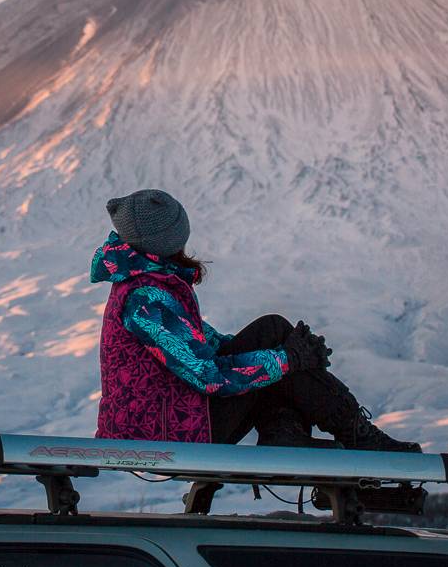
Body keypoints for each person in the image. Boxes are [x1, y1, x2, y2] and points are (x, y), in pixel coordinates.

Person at [92, 188, 420, 452]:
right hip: (164, 433)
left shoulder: (150, 283)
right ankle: (355, 434)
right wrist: (288, 359)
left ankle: (288, 434)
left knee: (272, 340)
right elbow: (208, 375)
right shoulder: (145, 298)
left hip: (172, 424)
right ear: (169, 240)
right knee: (272, 335)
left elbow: (204, 344)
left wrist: (287, 356)